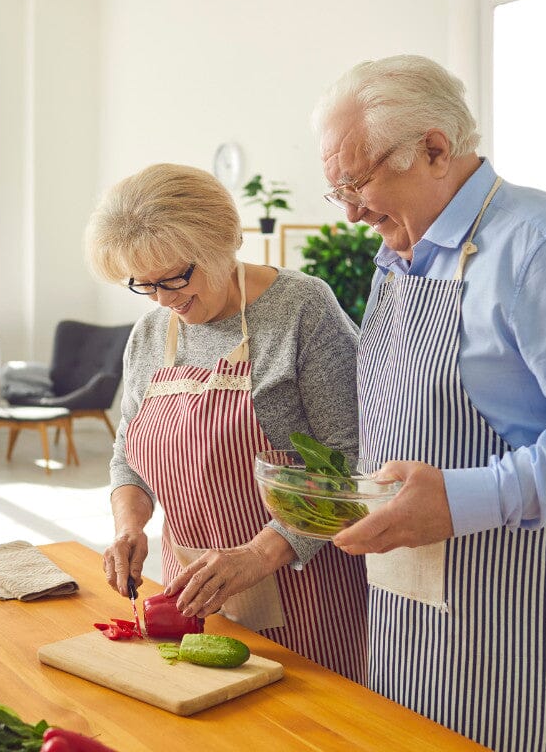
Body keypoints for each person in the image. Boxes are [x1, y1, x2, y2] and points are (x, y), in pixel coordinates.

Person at [313, 54, 546, 752]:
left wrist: (460, 500)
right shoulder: (403, 255)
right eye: (336, 188)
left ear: (434, 149)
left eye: (358, 181)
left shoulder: (545, 243)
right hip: (416, 590)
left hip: (536, 587)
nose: (351, 210)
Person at [85, 162, 367, 680]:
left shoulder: (301, 308)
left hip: (304, 592)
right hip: (191, 596)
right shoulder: (150, 335)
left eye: (176, 277)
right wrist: (129, 526)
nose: (166, 300)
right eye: (145, 286)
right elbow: (130, 455)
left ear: (222, 241)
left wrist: (259, 554)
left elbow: (349, 462)